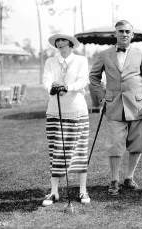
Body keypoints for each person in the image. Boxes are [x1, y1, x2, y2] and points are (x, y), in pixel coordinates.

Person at [89, 20, 142, 196]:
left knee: (137, 145)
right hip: (114, 107)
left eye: (127, 31)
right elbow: (93, 77)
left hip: (138, 107)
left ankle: (129, 177)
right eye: (121, 31)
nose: (124, 34)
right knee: (114, 146)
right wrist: (102, 96)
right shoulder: (104, 55)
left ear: (132, 35)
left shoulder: (141, 54)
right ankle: (113, 180)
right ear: (115, 34)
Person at [42, 34, 90, 206]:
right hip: (55, 111)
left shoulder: (81, 60)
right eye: (58, 44)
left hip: (76, 110)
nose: (60, 46)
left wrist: (67, 87)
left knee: (79, 150)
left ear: (71, 45)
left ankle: (83, 190)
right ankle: (54, 192)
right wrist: (52, 88)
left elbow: (83, 80)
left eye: (64, 43)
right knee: (56, 151)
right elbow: (46, 80)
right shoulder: (50, 62)